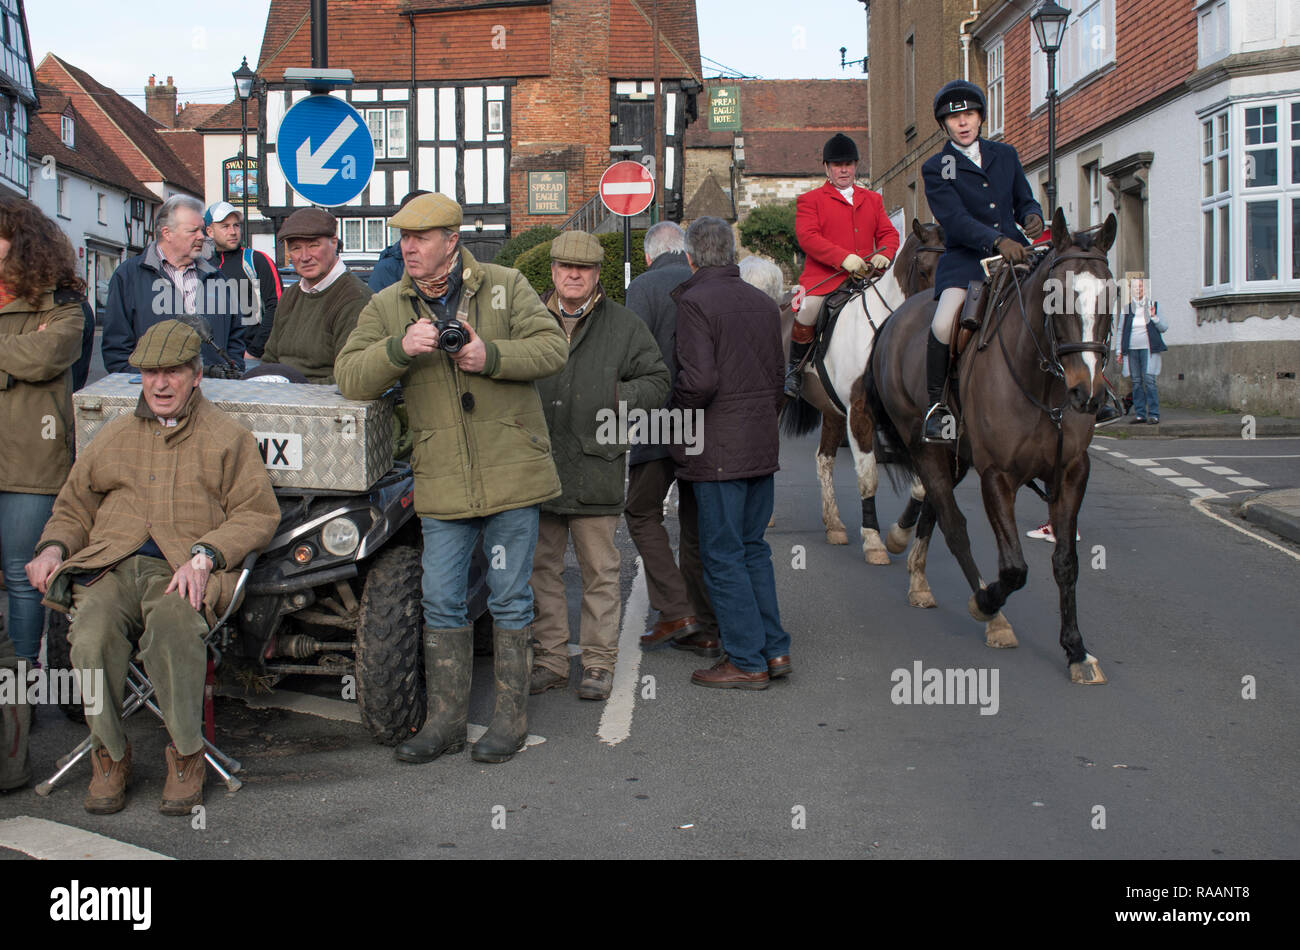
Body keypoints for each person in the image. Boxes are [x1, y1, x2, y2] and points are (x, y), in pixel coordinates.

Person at [335, 193, 567, 765]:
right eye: (403, 238)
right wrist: (398, 348)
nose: (407, 248)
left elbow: (553, 347)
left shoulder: (505, 285)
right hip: (441, 477)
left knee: (510, 596)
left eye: (420, 238)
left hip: (510, 469)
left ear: (452, 242)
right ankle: (443, 724)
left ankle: (509, 722)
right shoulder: (389, 303)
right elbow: (349, 375)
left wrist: (490, 354)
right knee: (441, 599)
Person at [26, 320, 279, 816]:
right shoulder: (114, 434)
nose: (160, 384)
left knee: (173, 627)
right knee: (90, 634)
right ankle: (109, 755)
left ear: (196, 375)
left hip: (182, 569)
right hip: (111, 565)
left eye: (172, 373)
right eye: (149, 373)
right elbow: (75, 505)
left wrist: (206, 555)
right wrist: (54, 547)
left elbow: (257, 513)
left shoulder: (227, 438)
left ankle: (187, 755)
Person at [529, 231, 669, 701]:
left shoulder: (625, 326)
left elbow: (657, 380)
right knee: (540, 570)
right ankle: (549, 660)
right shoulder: (527, 321)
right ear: (551, 271)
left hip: (597, 465)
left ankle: (597, 664)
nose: (574, 274)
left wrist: (615, 399)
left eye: (584, 268)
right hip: (539, 467)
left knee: (600, 573)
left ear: (597, 275)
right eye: (566, 266)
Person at [671, 216, 790, 690]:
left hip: (717, 447)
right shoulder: (764, 303)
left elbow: (698, 382)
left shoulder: (695, 301)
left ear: (691, 257)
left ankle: (746, 659)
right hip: (761, 442)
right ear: (732, 253)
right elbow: (779, 380)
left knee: (722, 555)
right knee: (753, 548)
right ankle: (774, 649)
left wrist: (677, 414)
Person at [921, 80, 1045, 442]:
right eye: (954, 117)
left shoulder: (1005, 154)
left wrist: (1032, 214)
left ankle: (1089, 387)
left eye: (969, 114)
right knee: (944, 323)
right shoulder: (939, 166)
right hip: (966, 263)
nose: (963, 123)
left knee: (1062, 298)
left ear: (980, 118)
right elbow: (954, 219)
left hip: (1017, 255)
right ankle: (937, 406)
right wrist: (995, 239)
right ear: (944, 124)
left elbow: (1023, 198)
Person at [622, 222, 720, 659]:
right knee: (697, 523)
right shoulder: (707, 279)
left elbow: (631, 358)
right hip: (705, 420)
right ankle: (704, 626)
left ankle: (677, 610)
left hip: (658, 418)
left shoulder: (641, 286)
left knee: (642, 512)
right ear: (686, 251)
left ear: (647, 255)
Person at [0, 196, 87, 667]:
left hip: (32, 460)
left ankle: (23, 683)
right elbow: (24, 358)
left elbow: (44, 358)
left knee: (23, 574)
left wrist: (19, 361)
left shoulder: (64, 305)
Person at [787, 132, 899, 399]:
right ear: (827, 168)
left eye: (848, 164)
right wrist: (842, 258)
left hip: (867, 277)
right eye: (838, 165)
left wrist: (886, 253)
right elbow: (808, 237)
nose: (844, 169)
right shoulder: (810, 200)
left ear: (856, 165)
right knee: (808, 310)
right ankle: (794, 370)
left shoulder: (872, 199)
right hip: (827, 279)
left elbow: (888, 234)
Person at [102, 195, 245, 376]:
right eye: (193, 231)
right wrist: (144, 382)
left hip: (211, 391)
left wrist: (229, 372)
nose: (202, 236)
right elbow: (116, 347)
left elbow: (236, 336)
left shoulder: (217, 278)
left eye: (201, 230)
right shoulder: (128, 276)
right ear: (167, 233)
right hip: (153, 393)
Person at [261, 208, 372, 384]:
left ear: (334, 242)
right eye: (296, 248)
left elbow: (348, 376)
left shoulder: (355, 298)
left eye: (313, 245)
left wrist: (291, 391)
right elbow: (270, 358)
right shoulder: (291, 294)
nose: (305, 257)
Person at [204, 201, 282, 359]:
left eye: (236, 225)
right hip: (216, 358)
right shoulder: (205, 268)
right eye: (225, 226)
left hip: (254, 357)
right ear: (210, 231)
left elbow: (278, 306)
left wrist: (254, 351)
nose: (233, 232)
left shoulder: (257, 260)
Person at [1120, 276, 1167, 425]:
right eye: (1135, 287)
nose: (1138, 289)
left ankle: (1153, 414)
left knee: (1149, 381)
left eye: (1140, 286)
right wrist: (1118, 351)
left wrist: (1154, 317)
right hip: (1131, 350)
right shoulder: (1127, 309)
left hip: (1148, 349)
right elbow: (1121, 330)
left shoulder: (1153, 305)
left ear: (1144, 288)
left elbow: (1164, 328)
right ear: (1131, 290)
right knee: (1136, 381)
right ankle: (1140, 414)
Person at [369, 190, 431, 293]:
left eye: (421, 237)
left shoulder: (458, 264)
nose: (410, 248)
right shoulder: (387, 269)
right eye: (406, 236)